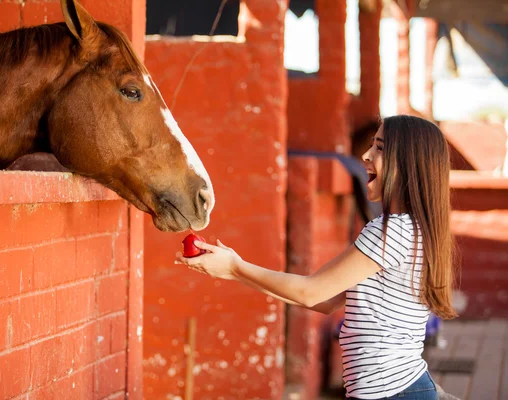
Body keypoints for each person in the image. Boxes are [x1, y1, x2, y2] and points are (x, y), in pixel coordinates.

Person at [176, 115, 458, 400]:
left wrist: (237, 265)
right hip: (397, 389)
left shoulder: (391, 231)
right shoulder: (412, 229)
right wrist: (234, 272)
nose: (366, 155)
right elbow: (325, 301)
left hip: (391, 393)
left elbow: (311, 292)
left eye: (380, 148)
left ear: (407, 163)